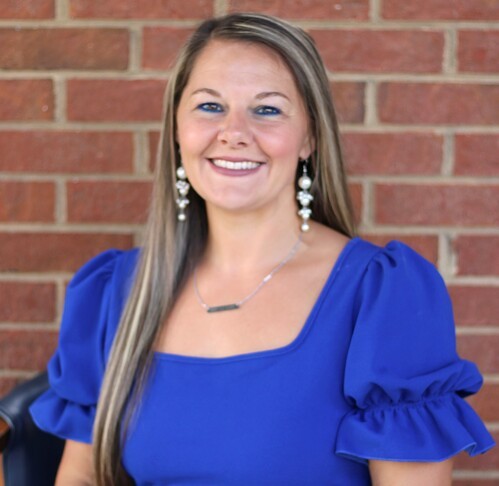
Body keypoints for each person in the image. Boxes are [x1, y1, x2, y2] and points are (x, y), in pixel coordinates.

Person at [30, 13, 494, 486]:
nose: (233, 132)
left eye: (267, 110)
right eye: (210, 106)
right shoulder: (116, 292)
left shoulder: (381, 295)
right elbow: (83, 477)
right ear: (176, 129)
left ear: (309, 137)